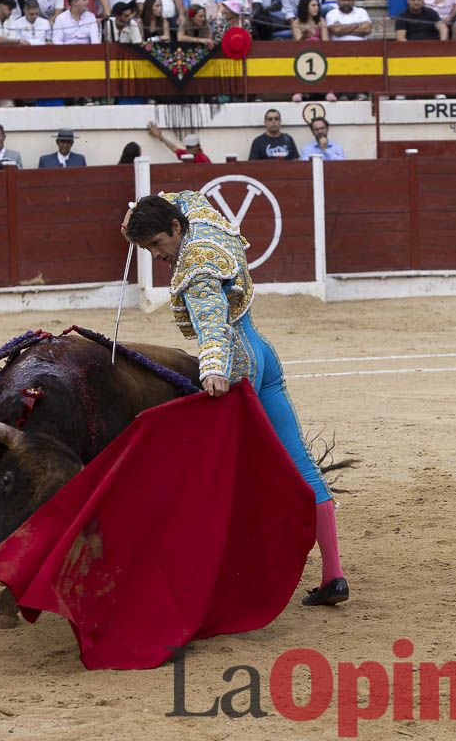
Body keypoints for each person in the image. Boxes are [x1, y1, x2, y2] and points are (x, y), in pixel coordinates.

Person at [121, 191, 350, 607]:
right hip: (262, 350)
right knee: (301, 464)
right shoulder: (202, 222)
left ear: (174, 229)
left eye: (156, 244)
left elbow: (211, 324)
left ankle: (229, 577)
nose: (156, 255)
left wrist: (212, 369)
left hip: (238, 365)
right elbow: (186, 197)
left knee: (215, 477)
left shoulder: (195, 265)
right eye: (147, 248)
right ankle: (334, 574)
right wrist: (136, 212)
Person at [148, 120, 212, 162]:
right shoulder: (186, 153)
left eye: (191, 147)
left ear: (198, 147)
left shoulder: (203, 159)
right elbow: (174, 148)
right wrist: (160, 136)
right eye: (187, 147)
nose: (188, 149)